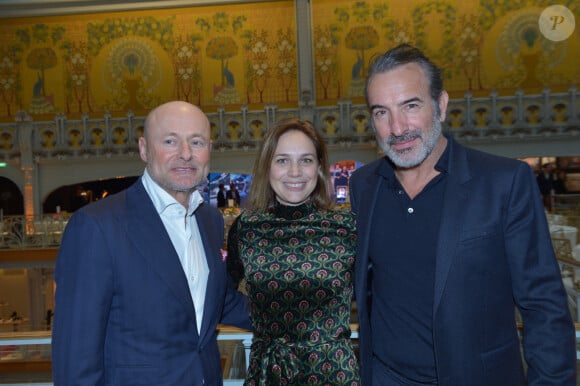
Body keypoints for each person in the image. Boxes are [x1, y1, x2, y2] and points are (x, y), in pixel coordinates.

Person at [349, 44, 576, 385]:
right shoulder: (364, 185)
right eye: (381, 112)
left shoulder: (504, 182)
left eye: (410, 106)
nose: (397, 128)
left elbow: (543, 304)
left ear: (440, 106)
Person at [52, 101, 251, 385]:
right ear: (144, 149)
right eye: (170, 141)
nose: (185, 154)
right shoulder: (97, 226)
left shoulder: (210, 220)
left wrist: (306, 315)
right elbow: (76, 358)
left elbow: (216, 302)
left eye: (196, 142)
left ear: (209, 150)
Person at [226, 118, 360, 385]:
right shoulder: (247, 229)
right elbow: (221, 296)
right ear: (267, 167)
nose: (295, 172)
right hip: (269, 372)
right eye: (283, 160)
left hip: (333, 373)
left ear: (319, 168)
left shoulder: (348, 229)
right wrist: (266, 322)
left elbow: (376, 300)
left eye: (306, 160)